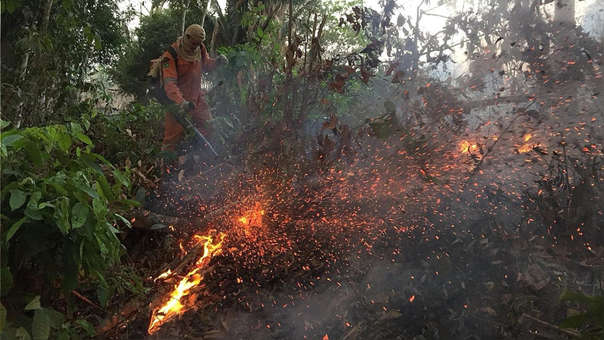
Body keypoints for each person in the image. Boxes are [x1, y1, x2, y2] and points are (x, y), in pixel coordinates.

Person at [160, 24, 227, 159]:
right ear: (187, 37)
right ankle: (165, 168)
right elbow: (170, 84)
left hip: (197, 97)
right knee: (172, 138)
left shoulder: (200, 48)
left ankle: (196, 156)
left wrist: (217, 62)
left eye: (198, 44)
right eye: (194, 44)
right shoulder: (170, 56)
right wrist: (181, 103)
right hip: (178, 102)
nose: (195, 47)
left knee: (209, 126)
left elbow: (206, 64)